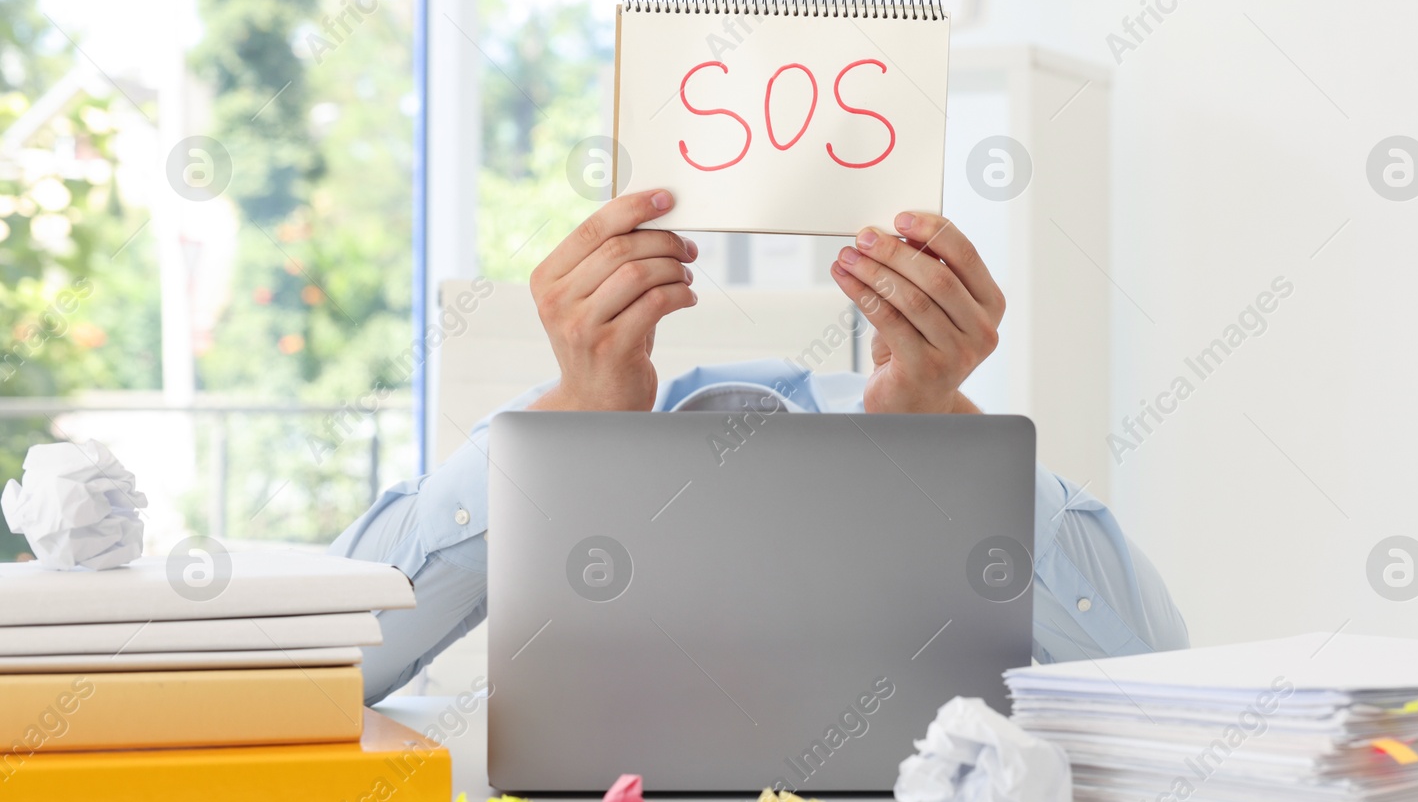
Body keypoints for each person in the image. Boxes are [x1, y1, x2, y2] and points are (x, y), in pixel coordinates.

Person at [331, 189, 1189, 703]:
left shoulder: (929, 439)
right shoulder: (556, 434)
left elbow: (1163, 687)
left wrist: (946, 441)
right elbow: (322, 661)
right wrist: (576, 414)